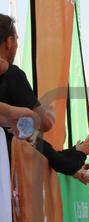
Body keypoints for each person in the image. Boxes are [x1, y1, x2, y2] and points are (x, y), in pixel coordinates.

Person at [0, 15, 54, 146]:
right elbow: (44, 123)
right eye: (16, 39)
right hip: (8, 154)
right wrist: (50, 114)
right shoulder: (13, 74)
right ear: (9, 42)